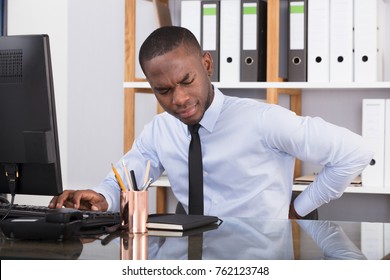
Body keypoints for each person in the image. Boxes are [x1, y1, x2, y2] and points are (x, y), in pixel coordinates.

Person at [49, 26, 373, 219]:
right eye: (163, 90)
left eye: (186, 80)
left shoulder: (263, 120)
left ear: (207, 64)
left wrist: (299, 209)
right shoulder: (160, 131)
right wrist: (102, 196)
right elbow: (125, 178)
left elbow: (354, 152)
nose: (178, 99)